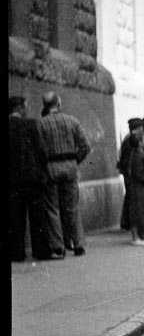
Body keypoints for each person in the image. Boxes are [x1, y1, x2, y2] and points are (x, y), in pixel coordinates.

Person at [39, 92, 92, 256]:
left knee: (52, 208)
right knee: (72, 207)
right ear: (59, 103)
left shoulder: (41, 124)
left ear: (45, 106)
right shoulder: (72, 121)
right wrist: (75, 161)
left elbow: (39, 149)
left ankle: (58, 246)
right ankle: (78, 244)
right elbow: (85, 146)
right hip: (70, 166)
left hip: (50, 167)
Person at [9, 96, 54, 261]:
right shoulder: (31, 124)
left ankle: (16, 252)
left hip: (13, 181)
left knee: (15, 219)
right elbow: (42, 151)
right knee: (38, 218)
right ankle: (41, 251)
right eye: (25, 106)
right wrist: (43, 172)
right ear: (20, 108)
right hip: (34, 179)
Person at [118, 118, 144, 231]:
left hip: (127, 171)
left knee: (129, 196)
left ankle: (126, 222)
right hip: (130, 172)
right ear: (138, 128)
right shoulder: (130, 140)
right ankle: (128, 223)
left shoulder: (128, 138)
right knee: (132, 197)